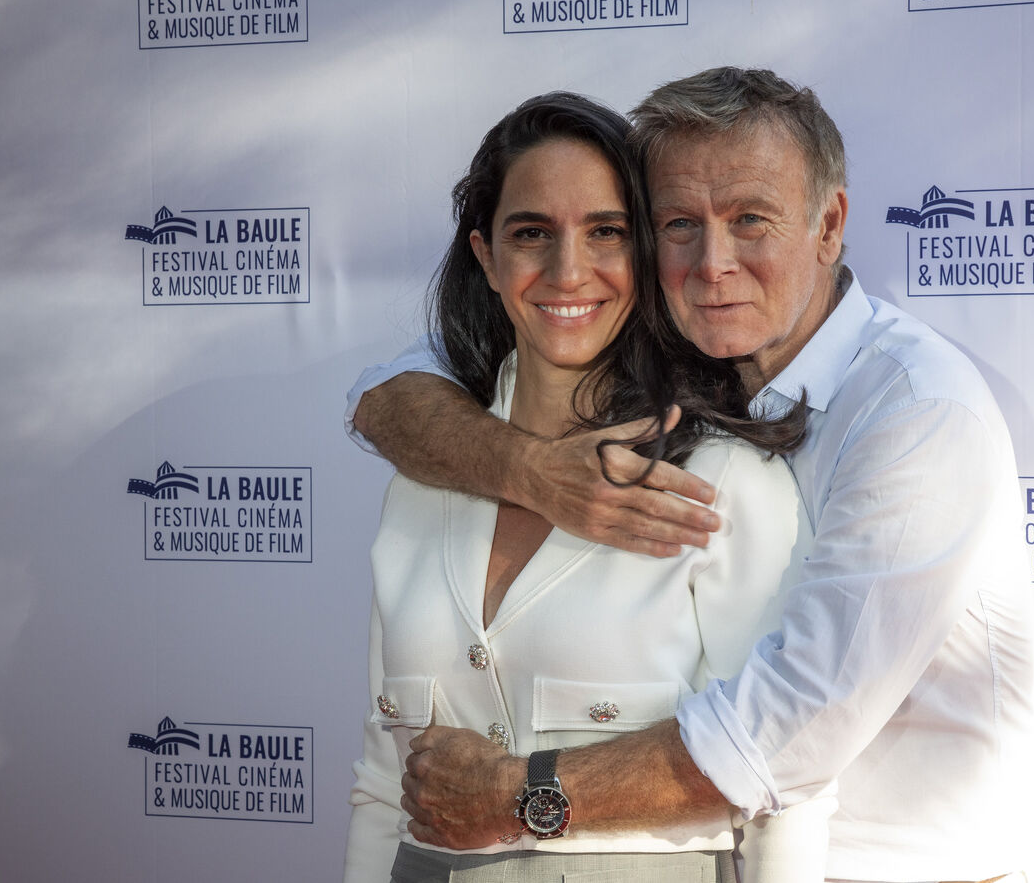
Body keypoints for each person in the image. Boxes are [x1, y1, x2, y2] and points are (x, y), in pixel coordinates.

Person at [347, 68, 1034, 883]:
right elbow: (385, 393)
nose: (713, 264)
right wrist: (530, 470)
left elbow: (783, 729)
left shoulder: (916, 409)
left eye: (750, 220)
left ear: (828, 225)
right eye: (680, 223)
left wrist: (515, 795)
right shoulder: (684, 367)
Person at [343, 91, 834, 883]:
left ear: (644, 252)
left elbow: (787, 783)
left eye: (605, 231)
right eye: (531, 233)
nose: (568, 270)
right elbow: (381, 782)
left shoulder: (721, 481)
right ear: (485, 256)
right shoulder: (421, 483)